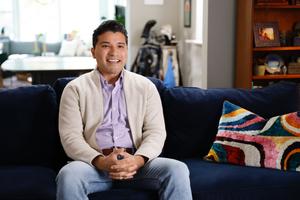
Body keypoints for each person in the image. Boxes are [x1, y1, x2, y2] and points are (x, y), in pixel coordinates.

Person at [56, 20, 192, 200]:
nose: (114, 52)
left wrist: (137, 160)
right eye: (106, 46)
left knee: (177, 169)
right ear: (93, 52)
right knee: (68, 175)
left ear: (126, 51)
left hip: (138, 164)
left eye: (120, 46)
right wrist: (101, 161)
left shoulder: (146, 87)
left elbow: (156, 132)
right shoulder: (75, 89)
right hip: (93, 166)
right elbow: (70, 137)